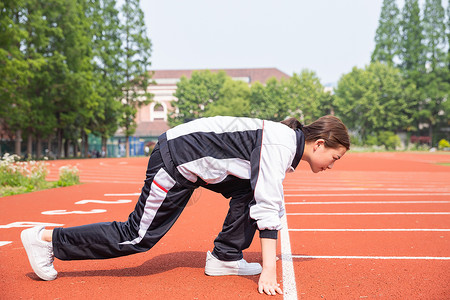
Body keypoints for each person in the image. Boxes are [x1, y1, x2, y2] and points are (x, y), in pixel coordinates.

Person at [21, 115, 350, 296]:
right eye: (333, 159)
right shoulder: (279, 144)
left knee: (252, 192)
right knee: (137, 236)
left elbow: (264, 198)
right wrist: (269, 271)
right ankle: (46, 238)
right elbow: (268, 209)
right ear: (319, 144)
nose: (331, 166)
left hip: (194, 161)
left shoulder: (284, 142)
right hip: (175, 160)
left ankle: (225, 257)